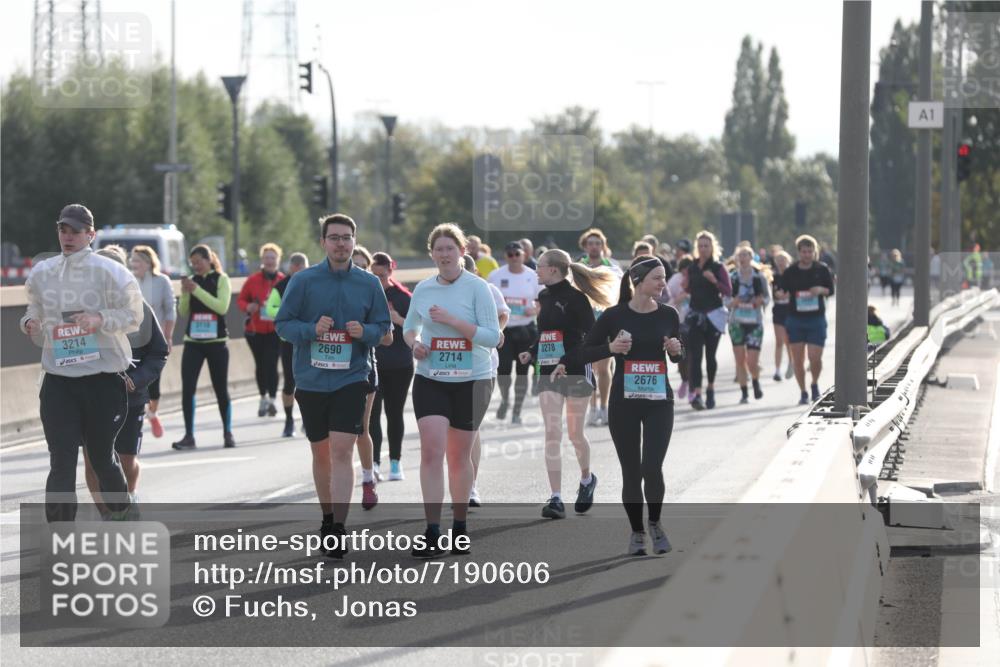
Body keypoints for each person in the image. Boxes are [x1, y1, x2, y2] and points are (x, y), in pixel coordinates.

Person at [275, 214, 391, 558]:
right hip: (310, 379)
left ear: (355, 241)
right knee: (321, 452)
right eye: (334, 237)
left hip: (351, 377)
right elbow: (282, 324)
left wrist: (364, 333)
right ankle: (327, 518)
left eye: (346, 237)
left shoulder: (369, 284)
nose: (341, 243)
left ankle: (339, 527)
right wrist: (311, 330)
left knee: (342, 450)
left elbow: (384, 329)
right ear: (323, 242)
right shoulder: (304, 281)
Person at [21, 204, 142, 521]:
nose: (68, 236)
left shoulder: (111, 271)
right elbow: (33, 309)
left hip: (102, 380)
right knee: (61, 460)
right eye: (63, 229)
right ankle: (61, 536)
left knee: (101, 458)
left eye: (75, 231)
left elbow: (134, 316)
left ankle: (122, 510)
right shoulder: (43, 272)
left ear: (91, 234)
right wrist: (29, 323)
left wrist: (99, 318)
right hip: (59, 381)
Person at [559, 255, 684, 555]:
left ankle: (655, 523)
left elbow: (677, 355)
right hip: (624, 404)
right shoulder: (614, 317)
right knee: (631, 472)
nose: (663, 283)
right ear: (638, 281)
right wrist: (610, 348)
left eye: (665, 277)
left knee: (652, 467)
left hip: (658, 402)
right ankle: (638, 532)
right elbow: (582, 352)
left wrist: (677, 350)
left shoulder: (669, 314)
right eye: (658, 277)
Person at [403, 224, 500, 558]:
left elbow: (491, 337)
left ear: (462, 252)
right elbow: (409, 328)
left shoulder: (478, 288)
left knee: (458, 456)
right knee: (431, 451)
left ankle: (459, 527)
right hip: (432, 377)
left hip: (473, 379)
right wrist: (415, 344)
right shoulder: (424, 289)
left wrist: (453, 321)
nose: (444, 255)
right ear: (432, 253)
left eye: (450, 248)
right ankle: (431, 531)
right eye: (438, 249)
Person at [519, 249, 615, 519]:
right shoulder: (544, 296)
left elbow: (588, 338)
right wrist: (533, 351)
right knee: (552, 433)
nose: (535, 270)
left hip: (575, 368)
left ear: (553, 270)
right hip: (548, 370)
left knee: (574, 434)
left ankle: (586, 479)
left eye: (539, 266)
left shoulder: (577, 299)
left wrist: (566, 360)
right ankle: (556, 497)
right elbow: (546, 333)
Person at [83, 245, 168, 515]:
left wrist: (138, 378)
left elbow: (159, 352)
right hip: (91, 396)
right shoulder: (81, 309)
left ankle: (128, 497)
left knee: (126, 459)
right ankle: (107, 514)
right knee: (92, 462)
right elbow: (66, 350)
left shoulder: (139, 309)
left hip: (129, 395)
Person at [173, 244, 235, 450]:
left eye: (199, 263)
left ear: (209, 260)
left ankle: (227, 432)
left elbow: (221, 306)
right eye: (192, 264)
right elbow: (183, 312)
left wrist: (196, 290)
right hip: (193, 342)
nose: (196, 267)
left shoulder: (221, 279)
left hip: (216, 343)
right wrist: (185, 293)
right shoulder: (193, 282)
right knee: (187, 389)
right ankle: (189, 435)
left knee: (220, 389)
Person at [461, 253, 510, 508]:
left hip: (482, 367)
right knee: (452, 432)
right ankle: (460, 482)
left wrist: (498, 329)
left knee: (471, 428)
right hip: (450, 368)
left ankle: (470, 487)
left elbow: (503, 313)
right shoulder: (443, 291)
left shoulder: (488, 289)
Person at [350, 245, 393, 509]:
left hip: (362, 368)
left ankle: (368, 479)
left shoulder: (372, 289)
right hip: (329, 369)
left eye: (362, 265)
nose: (358, 269)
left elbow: (388, 337)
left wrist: (363, 331)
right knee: (332, 435)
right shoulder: (327, 289)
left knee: (360, 430)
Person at [369, 252, 415, 482]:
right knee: (372, 415)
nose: (379, 279)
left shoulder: (404, 296)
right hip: (373, 363)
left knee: (394, 413)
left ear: (391, 270)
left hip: (399, 363)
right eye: (374, 274)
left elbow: (418, 329)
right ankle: (374, 462)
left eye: (382, 274)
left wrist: (397, 318)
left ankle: (395, 462)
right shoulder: (366, 293)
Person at [488, 241, 541, 425]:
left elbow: (542, 299)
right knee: (503, 370)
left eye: (517, 254)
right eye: (510, 255)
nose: (513, 258)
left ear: (524, 255)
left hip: (525, 329)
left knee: (522, 371)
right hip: (504, 330)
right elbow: (486, 300)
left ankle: (517, 410)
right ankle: (504, 400)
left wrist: (534, 310)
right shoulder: (495, 276)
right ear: (505, 256)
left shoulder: (532, 276)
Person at [779, 234, 835, 405]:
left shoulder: (822, 269)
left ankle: (815, 384)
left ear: (814, 252)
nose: (807, 255)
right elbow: (781, 291)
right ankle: (803, 391)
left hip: (816, 319)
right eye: (804, 252)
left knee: (815, 357)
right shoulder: (791, 271)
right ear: (798, 253)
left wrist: (821, 290)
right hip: (795, 319)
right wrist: (779, 294)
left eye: (810, 251)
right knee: (798, 360)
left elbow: (830, 290)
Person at [681, 231, 732, 410]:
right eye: (700, 246)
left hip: (713, 315)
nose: (703, 249)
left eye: (706, 246)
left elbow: (728, 291)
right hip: (695, 315)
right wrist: (686, 286)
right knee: (695, 357)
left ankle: (710, 388)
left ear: (712, 248)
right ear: (697, 247)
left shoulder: (718, 267)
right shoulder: (692, 267)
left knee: (710, 356)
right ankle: (697, 394)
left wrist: (715, 281)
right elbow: (688, 289)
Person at [130, 244, 176, 438]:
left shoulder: (162, 281)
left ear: (148, 263)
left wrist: (168, 336)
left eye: (137, 261)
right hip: (133, 341)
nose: (133, 264)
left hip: (154, 339)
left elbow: (170, 310)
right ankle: (139, 415)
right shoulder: (129, 282)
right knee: (136, 381)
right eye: (132, 260)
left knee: (154, 383)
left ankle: (153, 413)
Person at [577, 228, 622, 426]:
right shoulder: (578, 268)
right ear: (585, 246)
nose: (594, 246)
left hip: (606, 321)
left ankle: (604, 407)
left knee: (603, 368)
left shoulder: (613, 267)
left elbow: (622, 293)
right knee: (589, 368)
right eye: (591, 243)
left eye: (598, 243)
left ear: (603, 246)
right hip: (585, 322)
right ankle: (592, 408)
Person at [264, 252, 309, 437]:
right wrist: (287, 313)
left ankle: (307, 420)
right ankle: (289, 420)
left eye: (302, 271)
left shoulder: (314, 284)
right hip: (289, 342)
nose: (298, 275)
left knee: (308, 382)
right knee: (290, 382)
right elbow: (270, 309)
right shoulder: (280, 287)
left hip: (310, 341)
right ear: (290, 269)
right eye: (295, 271)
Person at [238, 243, 285, 418]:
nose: (270, 261)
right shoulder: (253, 280)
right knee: (260, 365)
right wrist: (248, 306)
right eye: (267, 258)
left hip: (276, 330)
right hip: (255, 330)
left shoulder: (283, 280)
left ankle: (272, 399)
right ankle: (263, 397)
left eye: (273, 258)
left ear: (278, 260)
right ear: (262, 260)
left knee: (271, 363)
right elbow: (241, 301)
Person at [727, 245, 770, 404]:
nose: (743, 258)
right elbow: (725, 300)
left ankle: (756, 381)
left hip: (754, 322)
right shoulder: (732, 277)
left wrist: (761, 301)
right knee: (740, 360)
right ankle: (744, 392)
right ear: (737, 259)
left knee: (752, 361)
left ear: (751, 258)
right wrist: (733, 302)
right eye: (741, 255)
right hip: (736, 323)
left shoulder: (759, 277)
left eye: (746, 255)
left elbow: (767, 297)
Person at [666, 256, 693, 398]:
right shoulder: (675, 280)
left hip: (694, 323)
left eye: (688, 272)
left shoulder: (696, 279)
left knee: (692, 356)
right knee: (681, 355)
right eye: (683, 272)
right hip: (679, 322)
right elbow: (667, 302)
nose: (685, 275)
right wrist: (678, 299)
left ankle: (693, 387)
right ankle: (684, 380)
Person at [770, 250, 794, 381]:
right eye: (778, 260)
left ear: (787, 261)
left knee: (789, 341)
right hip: (778, 309)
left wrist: (789, 294)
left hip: (790, 309)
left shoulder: (792, 275)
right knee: (779, 341)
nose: (780, 263)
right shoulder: (773, 276)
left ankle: (791, 362)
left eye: (783, 260)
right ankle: (777, 370)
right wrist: (777, 295)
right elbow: (771, 293)